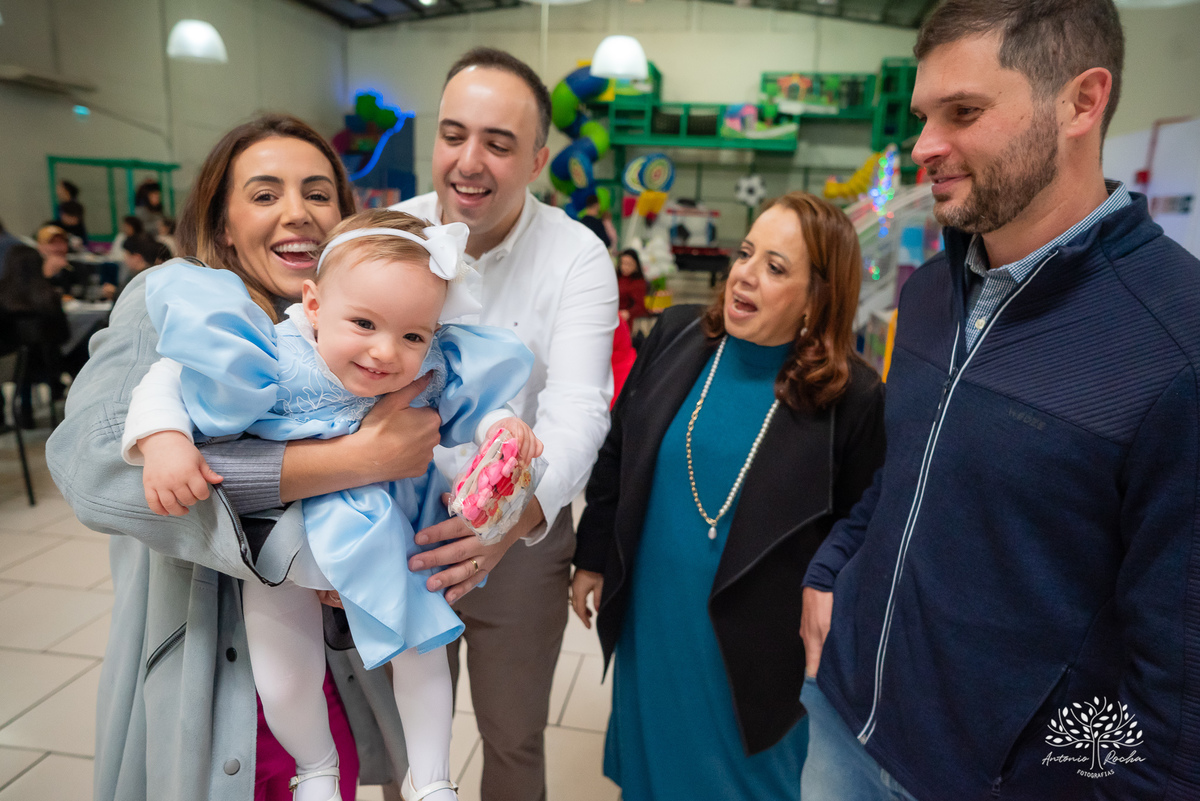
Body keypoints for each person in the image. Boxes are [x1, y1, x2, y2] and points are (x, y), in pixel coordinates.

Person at [799, 2, 1200, 800]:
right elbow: (900, 466)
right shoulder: (932, 290)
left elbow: (1180, 688)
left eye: (964, 112)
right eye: (923, 117)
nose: (922, 147)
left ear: (1082, 101)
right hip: (840, 717)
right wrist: (832, 566)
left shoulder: (1173, 344)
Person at [47, 115, 441, 801]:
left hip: (329, 671)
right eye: (265, 194)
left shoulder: (358, 331)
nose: (297, 212)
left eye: (319, 194)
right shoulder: (177, 304)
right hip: (210, 669)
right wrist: (354, 461)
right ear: (222, 223)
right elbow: (94, 471)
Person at [123, 209, 542, 801]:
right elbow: (169, 379)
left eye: (413, 335)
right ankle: (315, 765)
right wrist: (164, 439)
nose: (385, 353)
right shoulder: (271, 351)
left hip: (392, 528)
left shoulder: (431, 365)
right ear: (314, 304)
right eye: (364, 323)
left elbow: (472, 401)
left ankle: (433, 778)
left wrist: (504, 429)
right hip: (287, 536)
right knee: (281, 665)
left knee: (423, 649)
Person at [571, 192, 886, 801]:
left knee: (742, 779)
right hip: (653, 616)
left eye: (775, 267)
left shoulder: (853, 398)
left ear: (818, 296)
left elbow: (860, 527)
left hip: (754, 643)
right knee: (651, 768)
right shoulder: (679, 333)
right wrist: (593, 554)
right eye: (747, 254)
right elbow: (620, 449)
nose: (745, 274)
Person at [392, 47, 618, 800]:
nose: (469, 161)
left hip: (523, 529)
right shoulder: (394, 234)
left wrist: (514, 516)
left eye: (498, 142)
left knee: (513, 735)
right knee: (401, 745)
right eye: (453, 134)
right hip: (396, 522)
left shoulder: (577, 256)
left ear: (538, 160)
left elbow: (580, 405)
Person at [0, 244, 70, 428]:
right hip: (47, 364)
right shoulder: (48, 295)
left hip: (9, 364)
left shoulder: (3, 296)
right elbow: (64, 335)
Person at [615, 249, 648, 327]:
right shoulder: (616, 278)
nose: (624, 267)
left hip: (626, 322)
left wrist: (628, 313)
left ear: (636, 266)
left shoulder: (638, 283)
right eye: (622, 263)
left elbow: (640, 306)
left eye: (628, 264)